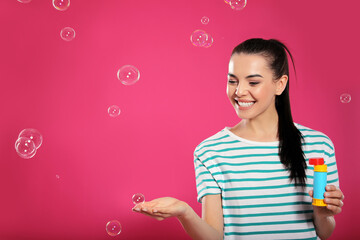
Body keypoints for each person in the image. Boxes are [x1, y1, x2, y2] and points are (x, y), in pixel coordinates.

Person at [132, 38, 344, 240]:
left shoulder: (320, 145)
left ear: (280, 84)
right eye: (232, 81)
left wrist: (322, 213)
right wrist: (184, 212)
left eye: (253, 82)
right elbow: (214, 236)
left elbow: (325, 233)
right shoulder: (210, 151)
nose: (239, 91)